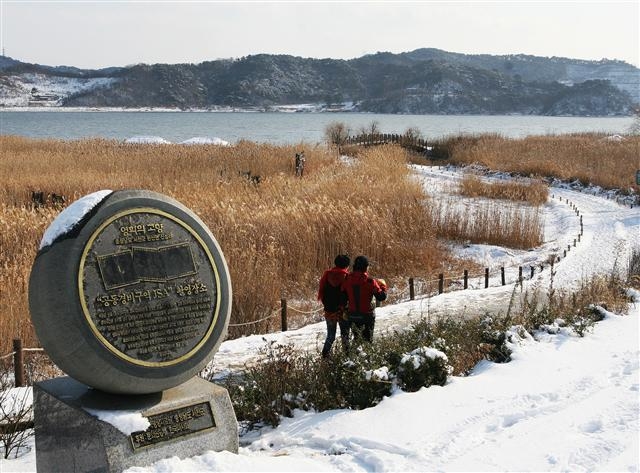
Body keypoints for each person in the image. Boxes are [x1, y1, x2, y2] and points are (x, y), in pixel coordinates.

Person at [341, 255, 387, 344]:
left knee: (357, 339)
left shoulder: (347, 279)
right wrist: (383, 286)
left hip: (352, 316)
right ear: (366, 267)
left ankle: (354, 356)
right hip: (367, 316)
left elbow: (342, 298)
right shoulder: (370, 281)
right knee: (368, 342)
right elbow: (381, 297)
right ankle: (365, 357)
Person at [317, 254, 351, 358]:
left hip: (329, 311)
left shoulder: (327, 275)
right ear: (347, 266)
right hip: (342, 311)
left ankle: (325, 356)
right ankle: (347, 358)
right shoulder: (346, 277)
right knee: (345, 336)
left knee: (330, 336)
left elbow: (322, 293)